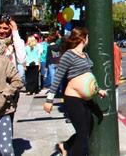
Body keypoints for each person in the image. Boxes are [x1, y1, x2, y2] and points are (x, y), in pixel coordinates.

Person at [43, 27, 107, 156]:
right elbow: (57, 78)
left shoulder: (85, 55)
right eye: (87, 37)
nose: (88, 39)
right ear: (83, 38)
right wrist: (49, 100)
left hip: (85, 100)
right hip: (73, 99)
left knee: (86, 130)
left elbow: (88, 75)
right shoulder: (69, 55)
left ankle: (65, 146)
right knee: (82, 133)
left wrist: (98, 90)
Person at [0, 14, 26, 84]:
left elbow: (21, 60)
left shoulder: (17, 42)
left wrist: (15, 31)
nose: (1, 31)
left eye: (5, 28)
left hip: (10, 84)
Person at [113, 42, 122, 108]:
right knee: (115, 93)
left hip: (113, 75)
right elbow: (120, 59)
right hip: (116, 74)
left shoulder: (112, 47)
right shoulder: (116, 48)